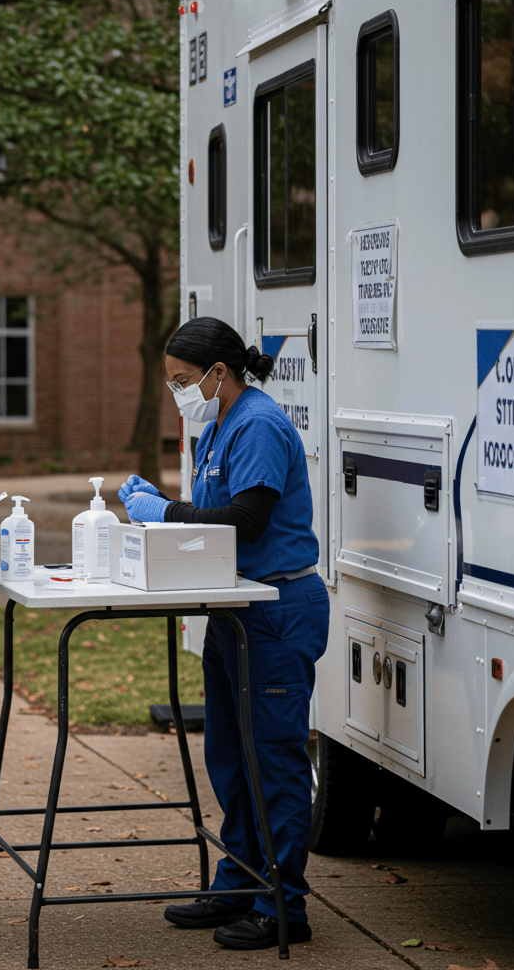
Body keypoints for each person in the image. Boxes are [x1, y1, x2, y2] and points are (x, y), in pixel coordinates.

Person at [119, 316, 329, 951]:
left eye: (184, 381)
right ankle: (238, 879)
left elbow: (247, 521)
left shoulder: (258, 424)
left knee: (273, 760)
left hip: (276, 606)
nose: (179, 393)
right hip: (234, 609)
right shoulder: (220, 427)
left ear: (218, 373)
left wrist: (167, 512)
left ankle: (282, 903)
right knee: (231, 757)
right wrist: (162, 514)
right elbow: (213, 518)